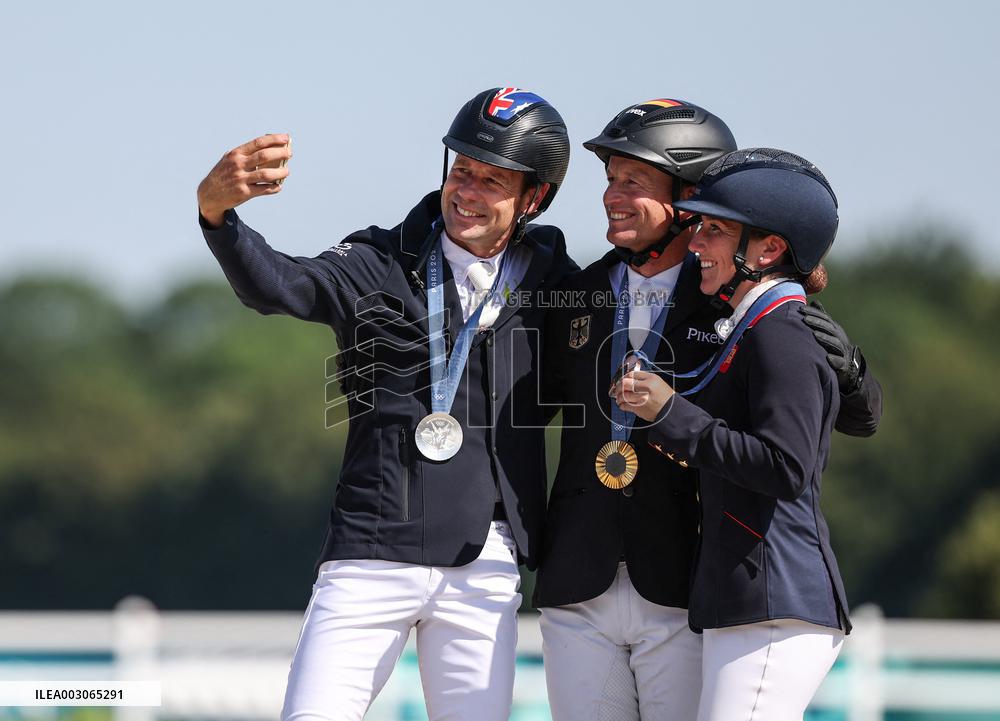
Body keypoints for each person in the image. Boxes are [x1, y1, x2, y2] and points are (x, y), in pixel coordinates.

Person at [196, 87, 575, 721]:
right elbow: (281, 285)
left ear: (533, 198)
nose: (467, 191)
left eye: (492, 180)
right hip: (370, 554)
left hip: (482, 564)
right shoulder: (378, 260)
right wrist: (218, 217)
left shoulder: (555, 283)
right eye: (462, 171)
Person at [536, 101, 882, 721]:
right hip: (580, 576)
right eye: (609, 180)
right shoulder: (576, 292)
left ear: (688, 198)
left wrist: (851, 370)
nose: (612, 197)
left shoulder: (741, 304)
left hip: (684, 582)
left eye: (632, 183)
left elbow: (843, 418)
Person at [613, 148, 854, 721]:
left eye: (715, 230)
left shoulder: (780, 335)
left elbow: (786, 468)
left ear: (768, 249)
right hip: (745, 598)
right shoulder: (751, 326)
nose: (696, 243)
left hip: (774, 600)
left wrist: (672, 414)